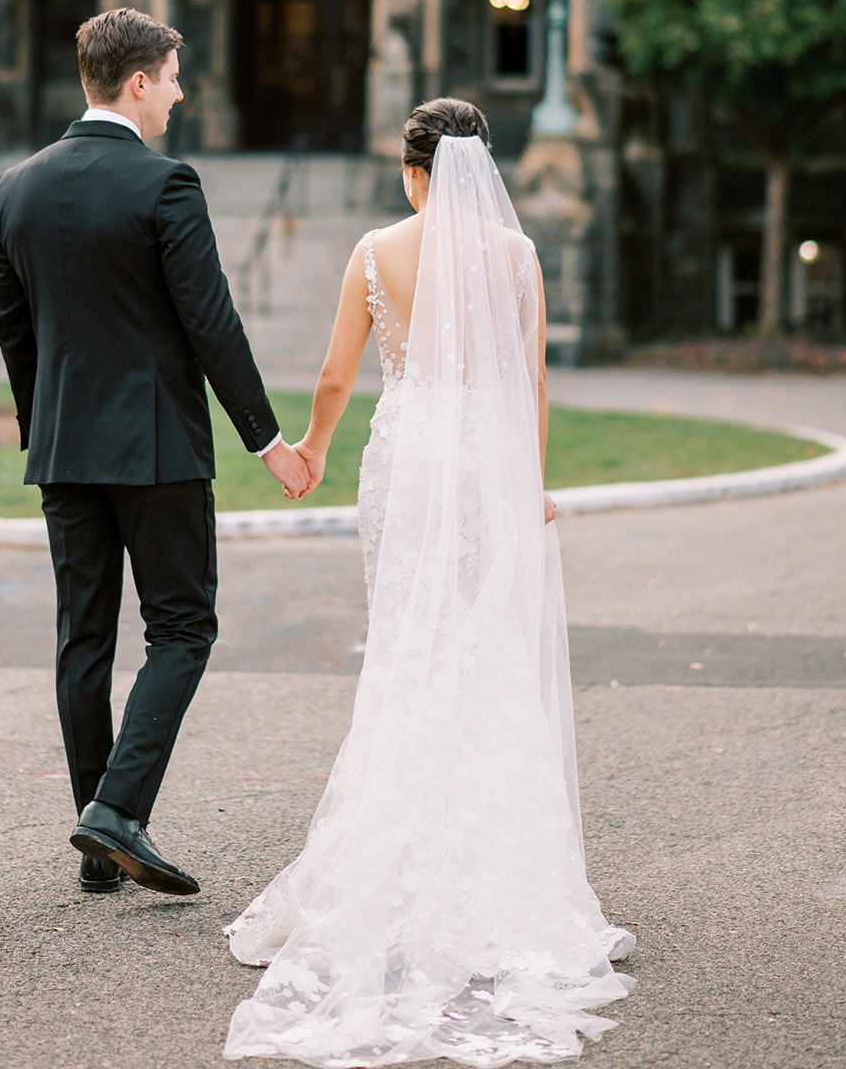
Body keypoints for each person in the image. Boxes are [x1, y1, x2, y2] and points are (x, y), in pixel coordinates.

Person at [224, 98, 636, 1066]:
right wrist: (530, 483)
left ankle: (391, 861)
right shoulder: (518, 254)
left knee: (409, 646)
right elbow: (532, 382)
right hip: (488, 464)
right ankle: (496, 870)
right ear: (479, 167)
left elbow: (337, 375)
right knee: (483, 648)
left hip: (409, 462)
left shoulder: (378, 250)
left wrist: (313, 447)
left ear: (415, 172)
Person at [0, 8, 311, 896]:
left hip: (63, 448)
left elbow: (15, 331)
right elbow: (212, 322)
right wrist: (267, 439)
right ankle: (116, 811)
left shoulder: (15, 186)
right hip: (157, 448)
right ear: (137, 82)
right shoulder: (165, 183)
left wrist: (45, 428)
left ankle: (100, 846)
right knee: (183, 627)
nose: (179, 92)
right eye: (172, 77)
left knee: (82, 638)